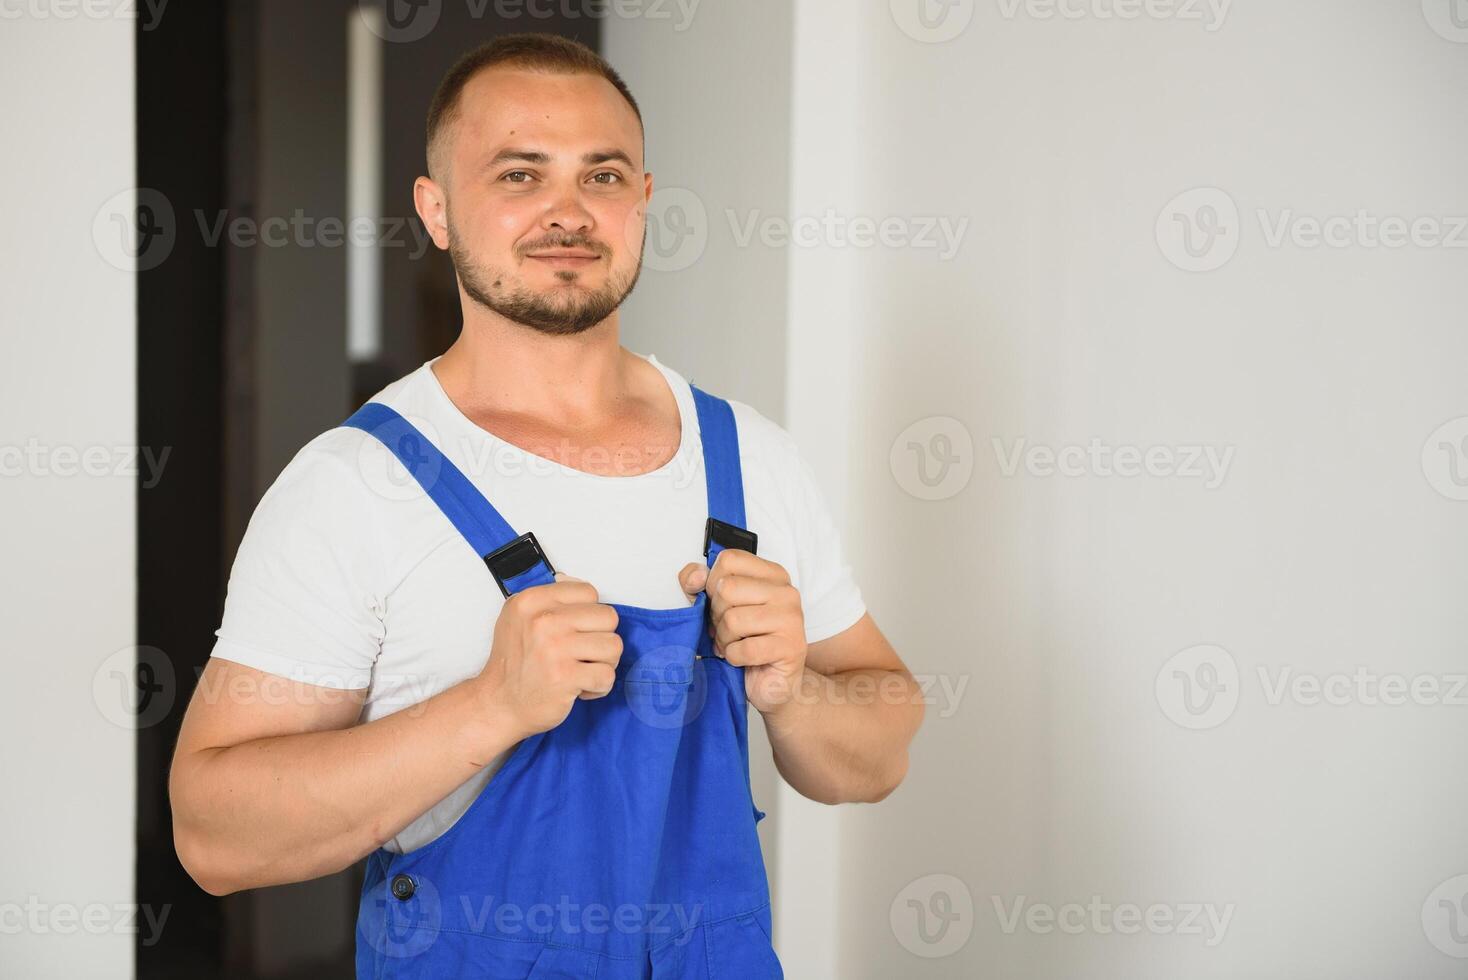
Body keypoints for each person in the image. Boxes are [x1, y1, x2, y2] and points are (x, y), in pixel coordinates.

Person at [169, 33, 923, 978]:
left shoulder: (751, 460)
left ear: (644, 202)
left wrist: (793, 692)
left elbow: (882, 744)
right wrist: (491, 707)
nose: (568, 212)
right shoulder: (355, 485)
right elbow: (213, 834)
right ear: (436, 211)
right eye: (520, 174)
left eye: (603, 176)